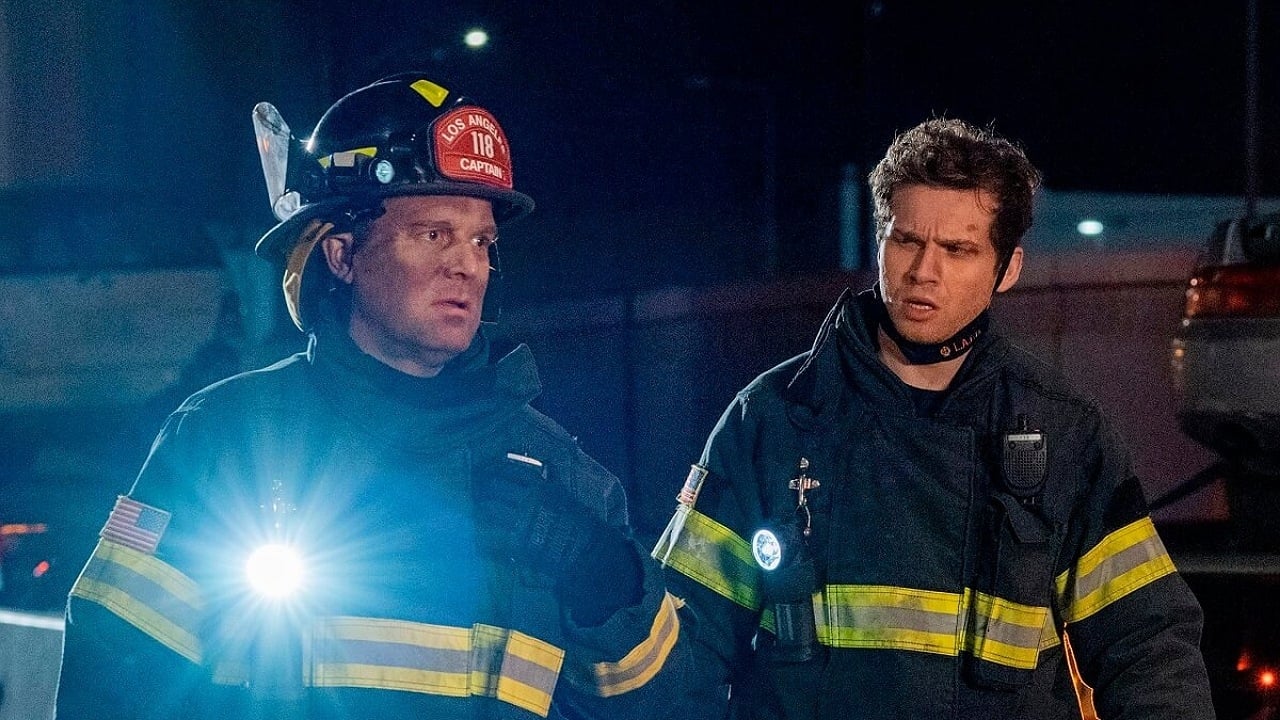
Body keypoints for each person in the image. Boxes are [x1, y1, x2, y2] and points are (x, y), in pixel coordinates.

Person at [55, 73, 682, 720]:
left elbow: (674, 703)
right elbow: (111, 680)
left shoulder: (559, 473)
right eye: (433, 234)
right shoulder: (225, 437)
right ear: (342, 255)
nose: (466, 265)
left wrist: (607, 581)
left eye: (481, 241)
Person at [652, 118, 1214, 719]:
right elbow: (685, 650)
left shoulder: (1064, 435)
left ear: (1008, 268)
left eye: (957, 250)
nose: (924, 271)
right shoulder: (772, 419)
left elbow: (1149, 648)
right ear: (879, 242)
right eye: (906, 240)